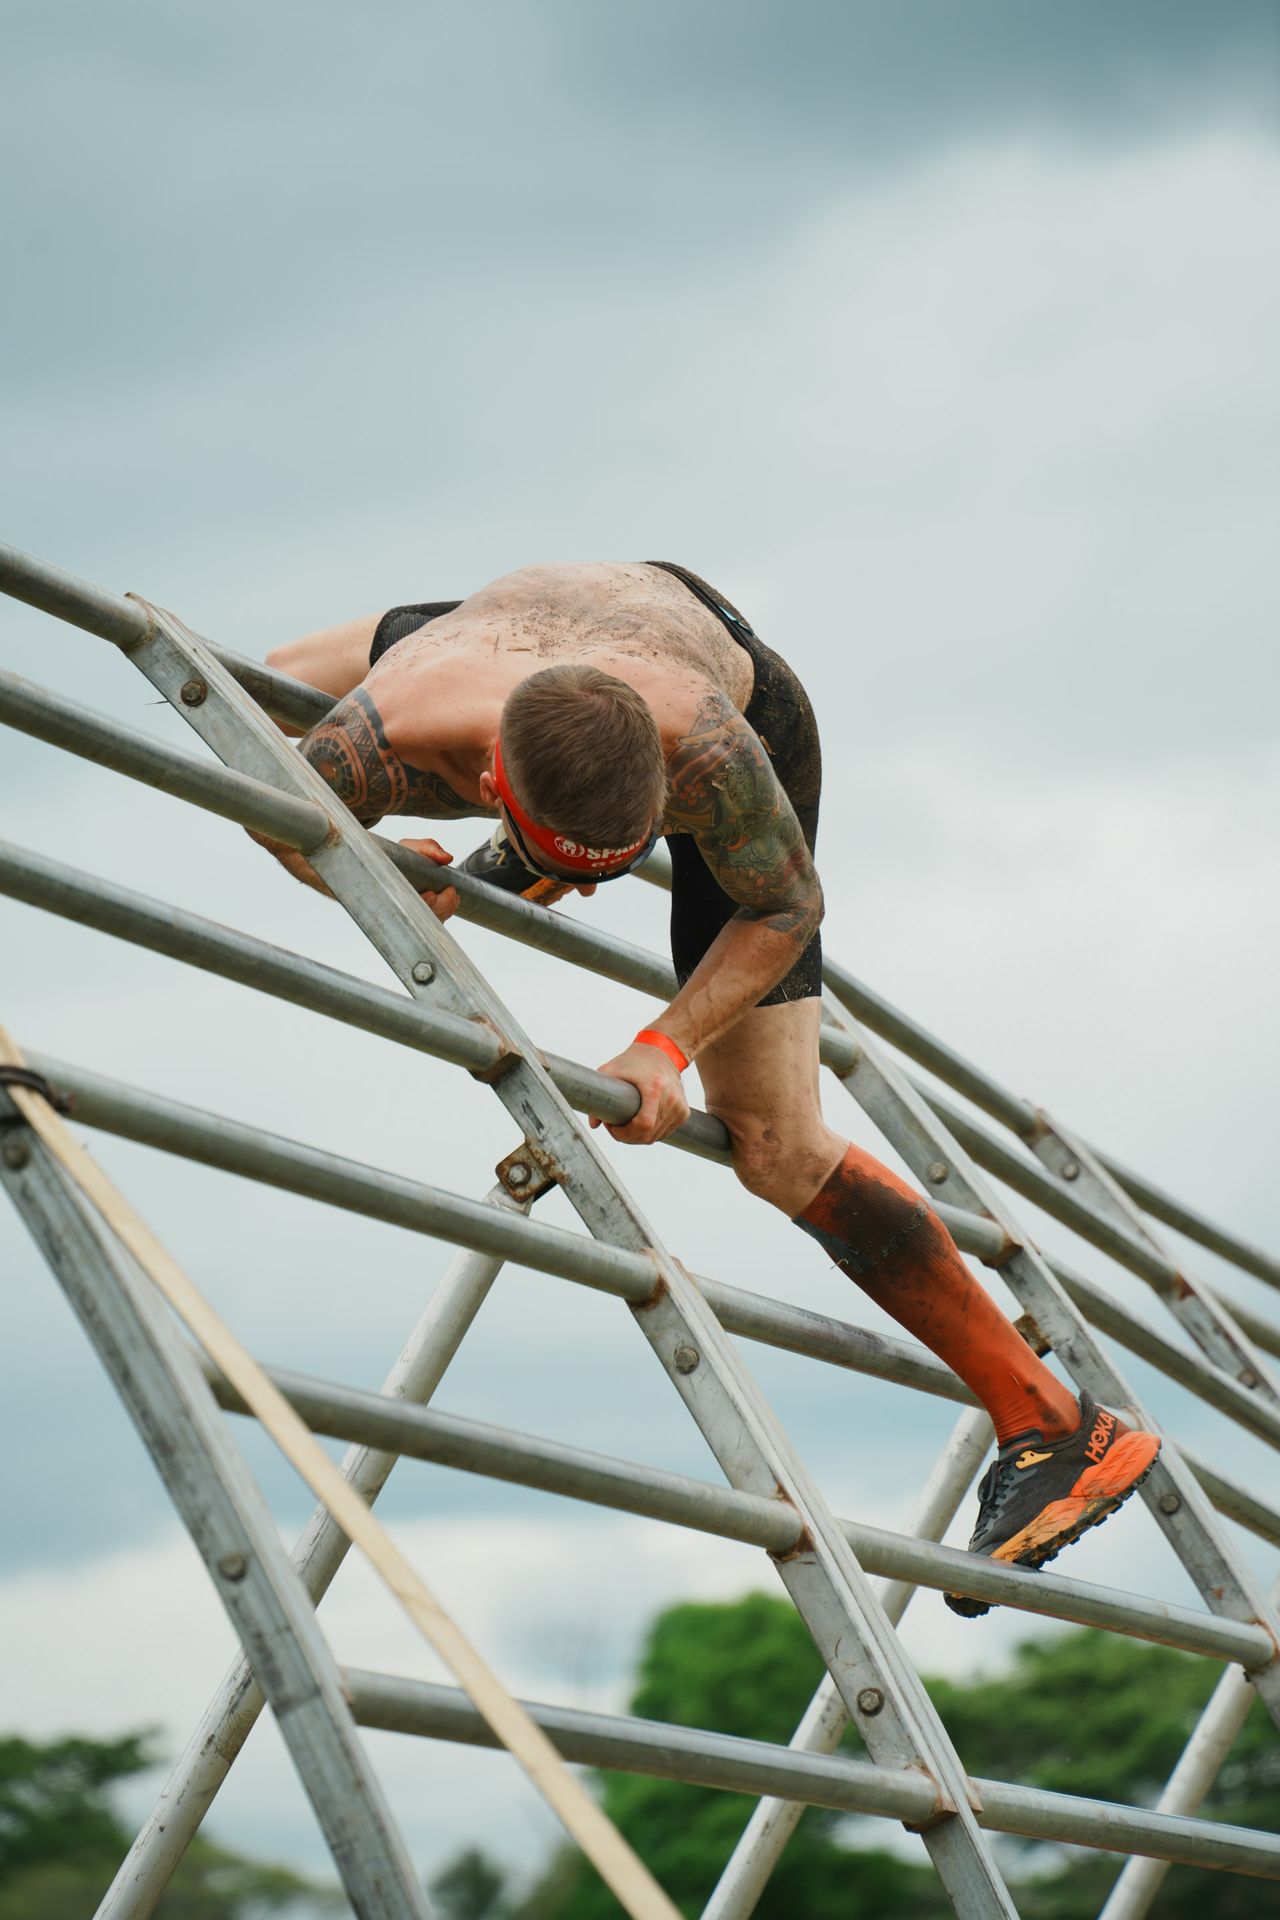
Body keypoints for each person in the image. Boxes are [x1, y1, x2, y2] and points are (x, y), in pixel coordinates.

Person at [258, 559, 1159, 1613]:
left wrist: (664, 1046)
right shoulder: (367, 746)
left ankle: (1052, 1422)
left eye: (612, 864)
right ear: (494, 784)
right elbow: (274, 806)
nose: (598, 889)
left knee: (775, 1145)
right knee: (276, 673)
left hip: (676, 657)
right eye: (578, 871)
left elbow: (786, 905)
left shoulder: (710, 750)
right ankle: (526, 861)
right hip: (503, 642)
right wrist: (348, 862)